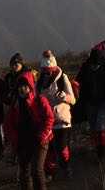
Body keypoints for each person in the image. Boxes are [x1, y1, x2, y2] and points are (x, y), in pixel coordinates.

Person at [3, 70, 54, 190]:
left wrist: (41, 136)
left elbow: (49, 118)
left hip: (40, 140)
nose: (22, 89)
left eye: (25, 86)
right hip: (23, 142)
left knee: (36, 170)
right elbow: (7, 125)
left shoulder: (39, 100)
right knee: (24, 173)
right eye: (20, 86)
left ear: (30, 86)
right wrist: (15, 139)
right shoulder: (14, 105)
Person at [36, 50, 75, 181]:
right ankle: (50, 172)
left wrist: (64, 97)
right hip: (47, 121)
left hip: (62, 120)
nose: (47, 75)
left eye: (49, 72)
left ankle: (66, 166)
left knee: (62, 148)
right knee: (50, 150)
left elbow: (73, 99)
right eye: (45, 72)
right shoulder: (39, 81)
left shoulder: (62, 78)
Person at [75, 44, 105, 161]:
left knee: (99, 125)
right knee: (93, 125)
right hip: (90, 101)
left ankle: (101, 151)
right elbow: (78, 81)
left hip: (102, 101)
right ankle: (98, 146)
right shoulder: (87, 68)